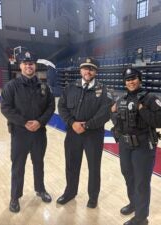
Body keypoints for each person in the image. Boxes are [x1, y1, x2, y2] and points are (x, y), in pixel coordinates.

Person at [0, 50, 55, 213]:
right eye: (25, 63)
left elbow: (51, 107)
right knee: (18, 166)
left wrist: (39, 122)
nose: (29, 66)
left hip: (39, 133)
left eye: (31, 63)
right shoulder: (11, 86)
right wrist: (24, 123)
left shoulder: (44, 86)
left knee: (39, 163)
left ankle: (40, 189)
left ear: (35, 66)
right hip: (19, 134)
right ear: (20, 65)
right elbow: (5, 108)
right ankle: (15, 197)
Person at [111, 68, 161, 225]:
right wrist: (113, 113)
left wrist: (141, 109)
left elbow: (159, 121)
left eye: (133, 78)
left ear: (139, 79)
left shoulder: (150, 99)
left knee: (141, 181)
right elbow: (115, 117)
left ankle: (141, 218)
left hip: (143, 146)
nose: (131, 81)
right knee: (128, 176)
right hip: (125, 145)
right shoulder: (122, 99)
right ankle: (134, 204)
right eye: (127, 79)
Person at [57, 57, 112, 208]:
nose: (88, 71)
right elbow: (61, 107)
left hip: (93, 135)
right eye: (85, 68)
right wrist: (72, 123)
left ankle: (93, 197)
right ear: (81, 70)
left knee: (94, 167)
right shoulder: (70, 88)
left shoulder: (104, 90)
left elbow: (105, 113)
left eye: (91, 68)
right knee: (71, 165)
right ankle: (70, 192)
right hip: (73, 133)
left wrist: (87, 125)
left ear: (96, 72)